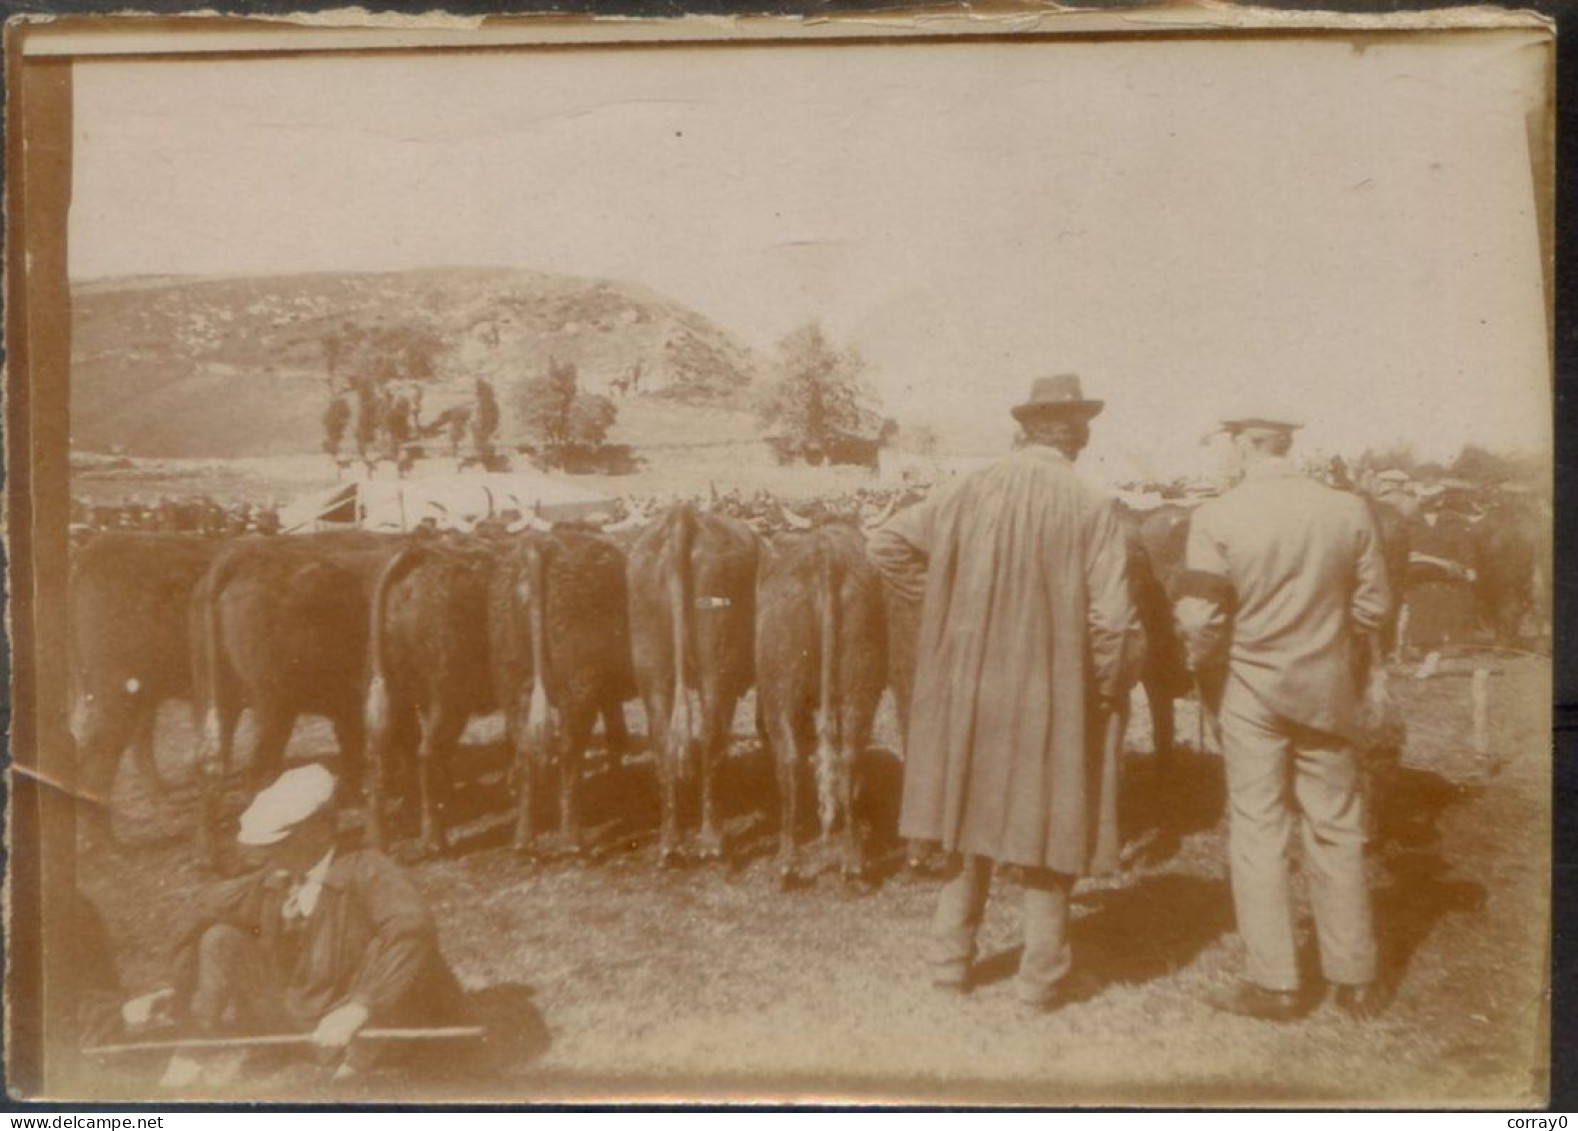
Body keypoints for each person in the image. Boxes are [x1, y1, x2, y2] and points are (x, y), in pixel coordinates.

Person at [867, 374, 1142, 1013]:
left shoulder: (966, 489)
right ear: (1078, 434)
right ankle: (1042, 980)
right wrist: (1104, 688)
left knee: (964, 815)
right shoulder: (1091, 504)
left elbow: (885, 543)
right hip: (1051, 689)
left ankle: (948, 968)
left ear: (1025, 430)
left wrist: (946, 605)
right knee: (1048, 822)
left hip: (969, 686)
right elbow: (1114, 621)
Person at [1174, 407, 1391, 1021]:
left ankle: (1276, 983)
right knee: (1338, 827)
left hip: (1250, 690)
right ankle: (1356, 979)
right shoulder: (1348, 509)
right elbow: (1373, 605)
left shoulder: (1216, 514)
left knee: (1259, 829)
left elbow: (1198, 616)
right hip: (1328, 689)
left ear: (1246, 445)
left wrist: (1206, 666)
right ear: (1286, 446)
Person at [122, 764, 469, 1088]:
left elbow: (411, 931)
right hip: (304, 1014)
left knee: (391, 941)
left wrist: (361, 1007)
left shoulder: (367, 868)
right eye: (268, 845)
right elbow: (200, 912)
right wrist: (168, 989)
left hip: (364, 1017)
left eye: (280, 842)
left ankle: (360, 1059)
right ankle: (192, 1052)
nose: (269, 854)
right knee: (220, 937)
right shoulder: (276, 877)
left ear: (321, 829)